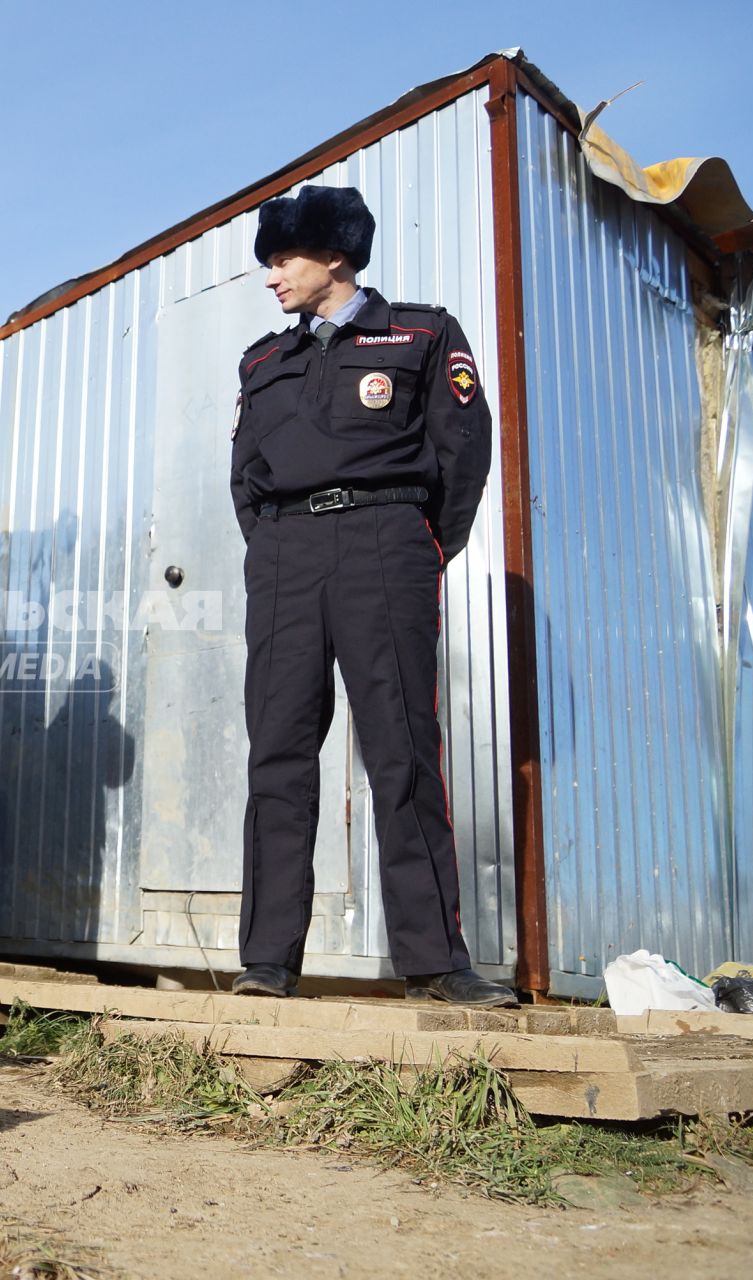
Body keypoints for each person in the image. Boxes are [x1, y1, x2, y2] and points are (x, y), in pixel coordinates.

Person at [227, 185, 516, 1007]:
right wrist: (277, 548)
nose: (271, 276)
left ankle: (435, 962)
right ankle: (269, 961)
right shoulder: (263, 359)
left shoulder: (421, 333)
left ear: (336, 257)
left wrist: (422, 546)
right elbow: (244, 474)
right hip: (286, 557)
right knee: (278, 754)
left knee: (401, 751)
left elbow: (462, 452)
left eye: (283, 259)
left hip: (386, 546)